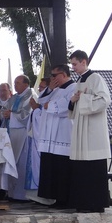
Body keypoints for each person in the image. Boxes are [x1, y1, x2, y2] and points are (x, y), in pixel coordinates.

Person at [68, 50, 112, 213]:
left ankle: (96, 203)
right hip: (81, 128)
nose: (73, 68)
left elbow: (105, 100)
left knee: (94, 167)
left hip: (93, 130)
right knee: (81, 167)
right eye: (72, 64)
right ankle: (83, 202)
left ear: (84, 62)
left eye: (74, 64)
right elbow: (75, 105)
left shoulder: (96, 78)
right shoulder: (79, 80)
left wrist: (83, 99)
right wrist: (72, 101)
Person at [36, 64, 77, 207]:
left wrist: (51, 105)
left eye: (55, 75)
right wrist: (50, 89)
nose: (52, 78)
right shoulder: (55, 89)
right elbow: (41, 101)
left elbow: (69, 105)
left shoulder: (74, 87)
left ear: (64, 74)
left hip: (63, 132)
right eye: (51, 76)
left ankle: (64, 198)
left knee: (62, 166)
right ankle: (54, 197)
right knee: (51, 165)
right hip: (50, 135)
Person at [1, 75, 37, 201]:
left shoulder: (31, 96)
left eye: (18, 83)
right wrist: (5, 113)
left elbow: (26, 116)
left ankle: (22, 195)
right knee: (12, 162)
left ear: (26, 84)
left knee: (22, 163)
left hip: (23, 134)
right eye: (15, 83)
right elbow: (5, 110)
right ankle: (12, 193)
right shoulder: (15, 97)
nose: (15, 85)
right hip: (12, 134)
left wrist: (11, 115)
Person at [24, 77, 55, 205]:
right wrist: (36, 108)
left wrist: (36, 109)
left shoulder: (50, 101)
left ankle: (42, 194)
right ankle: (34, 193)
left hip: (44, 140)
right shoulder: (42, 102)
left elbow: (44, 119)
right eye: (40, 88)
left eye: (42, 87)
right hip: (35, 139)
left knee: (39, 166)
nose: (40, 90)